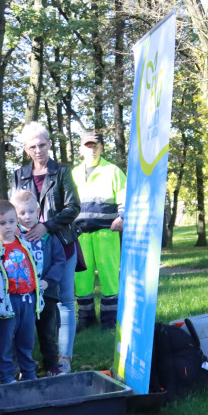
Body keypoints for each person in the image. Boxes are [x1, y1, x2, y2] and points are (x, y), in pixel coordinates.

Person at [10, 122, 80, 374]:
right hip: (27, 249)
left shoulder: (62, 171)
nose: (38, 150)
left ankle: (64, 358)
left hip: (61, 243)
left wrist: (46, 226)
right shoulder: (19, 175)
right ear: (26, 149)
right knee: (31, 305)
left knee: (64, 301)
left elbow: (73, 207)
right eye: (33, 146)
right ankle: (29, 360)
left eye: (42, 144)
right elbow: (13, 208)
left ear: (49, 144)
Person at [0, 199, 41, 384]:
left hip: (28, 299)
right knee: (5, 341)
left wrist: (37, 291)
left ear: (17, 221)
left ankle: (29, 373)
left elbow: (34, 269)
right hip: (7, 301)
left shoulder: (25, 244)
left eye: (11, 221)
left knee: (26, 340)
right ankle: (6, 375)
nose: (8, 226)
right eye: (2, 223)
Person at [72, 131, 125, 331]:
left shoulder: (112, 171)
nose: (92, 149)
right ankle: (85, 319)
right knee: (82, 278)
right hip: (80, 234)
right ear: (80, 149)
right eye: (88, 145)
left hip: (107, 233)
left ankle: (110, 319)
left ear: (101, 147)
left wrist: (122, 217)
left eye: (95, 145)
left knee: (109, 276)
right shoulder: (74, 174)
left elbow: (124, 195)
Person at [12, 190, 66, 375]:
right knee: (21, 333)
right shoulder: (14, 238)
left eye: (30, 212)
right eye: (22, 213)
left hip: (46, 293)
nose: (27, 217)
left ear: (37, 211)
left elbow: (59, 261)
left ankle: (51, 365)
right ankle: (23, 367)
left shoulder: (49, 236)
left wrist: (48, 281)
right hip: (22, 295)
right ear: (16, 215)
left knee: (47, 333)